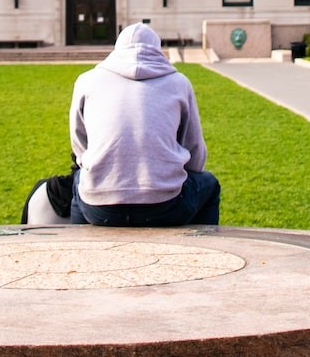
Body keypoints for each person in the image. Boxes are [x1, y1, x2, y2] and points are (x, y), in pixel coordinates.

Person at [68, 24, 220, 226]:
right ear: (158, 49)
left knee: (80, 181)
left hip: (99, 207)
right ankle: (205, 249)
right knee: (209, 184)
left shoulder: (87, 81)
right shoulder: (179, 83)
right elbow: (194, 148)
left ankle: (78, 247)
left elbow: (79, 141)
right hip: (166, 205)